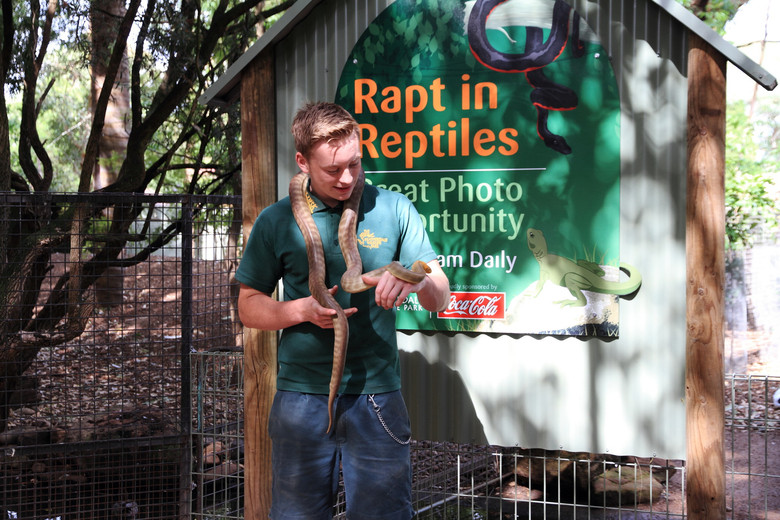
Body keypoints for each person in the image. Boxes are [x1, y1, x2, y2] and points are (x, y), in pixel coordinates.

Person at [236, 101, 450, 520]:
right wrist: (301, 310)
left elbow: (439, 294)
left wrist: (416, 279)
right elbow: (248, 307)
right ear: (302, 162)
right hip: (300, 399)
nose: (347, 178)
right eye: (333, 170)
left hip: (377, 399)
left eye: (354, 164)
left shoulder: (394, 208)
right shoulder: (276, 220)